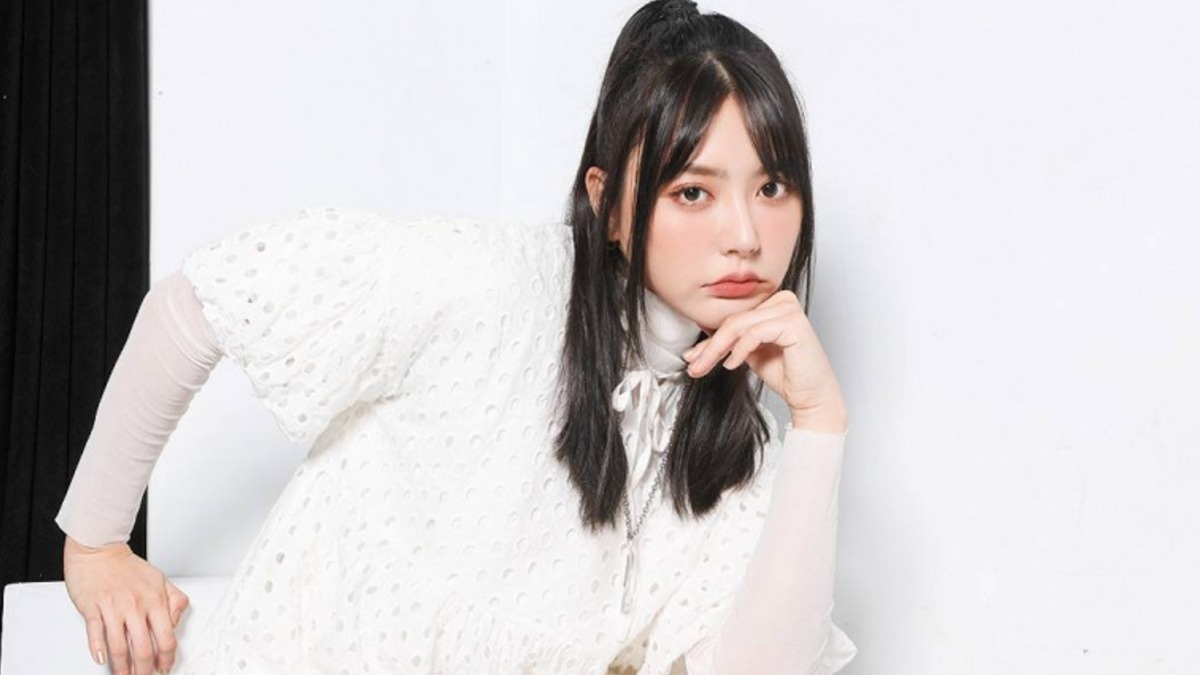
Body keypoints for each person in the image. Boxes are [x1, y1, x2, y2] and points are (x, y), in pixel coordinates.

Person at [56, 1, 859, 673]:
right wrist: (95, 545)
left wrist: (820, 422)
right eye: (693, 192)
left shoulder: (737, 437)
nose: (746, 236)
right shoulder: (487, 291)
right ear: (608, 203)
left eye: (772, 186)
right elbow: (199, 302)